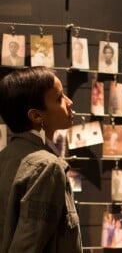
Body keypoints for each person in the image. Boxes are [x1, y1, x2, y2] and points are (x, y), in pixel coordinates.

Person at [0, 66, 82, 252]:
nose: (69, 102)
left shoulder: (5, 157)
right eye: (59, 98)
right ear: (37, 115)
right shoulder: (47, 166)